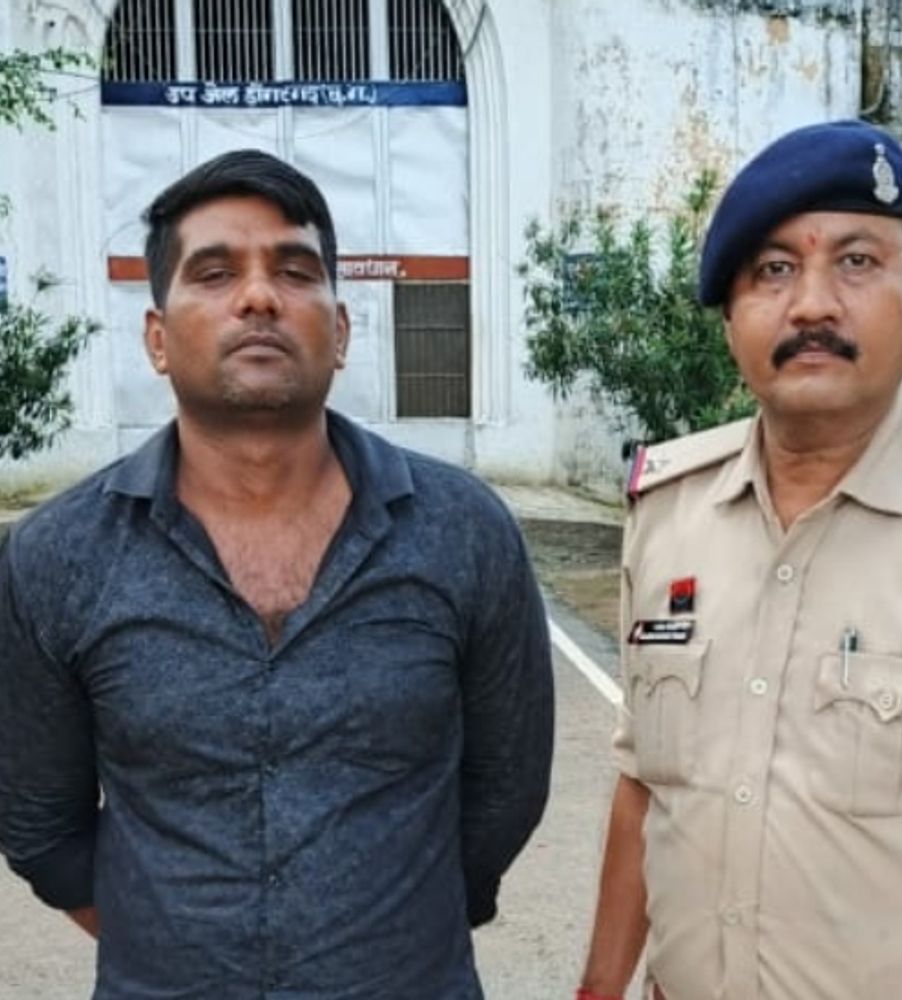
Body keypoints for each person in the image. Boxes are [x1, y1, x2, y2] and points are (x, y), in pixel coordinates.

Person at [0, 149, 554, 999]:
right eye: (214, 273)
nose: (259, 297)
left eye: (295, 271)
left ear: (341, 331)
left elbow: (504, 793)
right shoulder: (59, 555)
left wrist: (400, 922)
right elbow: (40, 823)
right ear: (157, 338)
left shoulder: (463, 531)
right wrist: (172, 938)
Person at [577, 120, 902, 1000]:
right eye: (772, 270)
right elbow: (645, 786)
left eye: (856, 262)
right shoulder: (667, 510)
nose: (811, 305)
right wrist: (598, 988)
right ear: (732, 315)